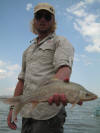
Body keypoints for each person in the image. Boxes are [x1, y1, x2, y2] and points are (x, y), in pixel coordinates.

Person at [7, 3, 76, 133]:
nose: (43, 19)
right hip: (27, 113)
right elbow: (22, 81)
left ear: (53, 20)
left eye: (47, 16)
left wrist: (56, 88)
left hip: (48, 114)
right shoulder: (27, 51)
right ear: (34, 21)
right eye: (39, 16)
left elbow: (64, 68)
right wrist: (12, 109)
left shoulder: (60, 41)